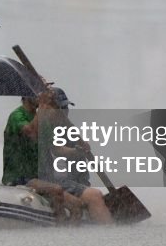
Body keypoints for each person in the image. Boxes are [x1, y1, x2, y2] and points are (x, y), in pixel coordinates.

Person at [32, 87, 113, 225]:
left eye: (66, 108)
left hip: (66, 181)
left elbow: (81, 170)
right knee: (93, 196)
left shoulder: (69, 131)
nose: (65, 112)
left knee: (91, 195)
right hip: (47, 180)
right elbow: (56, 151)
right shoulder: (41, 127)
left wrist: (81, 147)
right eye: (62, 108)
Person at [2, 95, 40, 186]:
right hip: (17, 177)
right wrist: (43, 106)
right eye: (37, 93)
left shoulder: (39, 117)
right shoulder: (17, 115)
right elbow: (30, 132)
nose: (40, 96)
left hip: (35, 175)